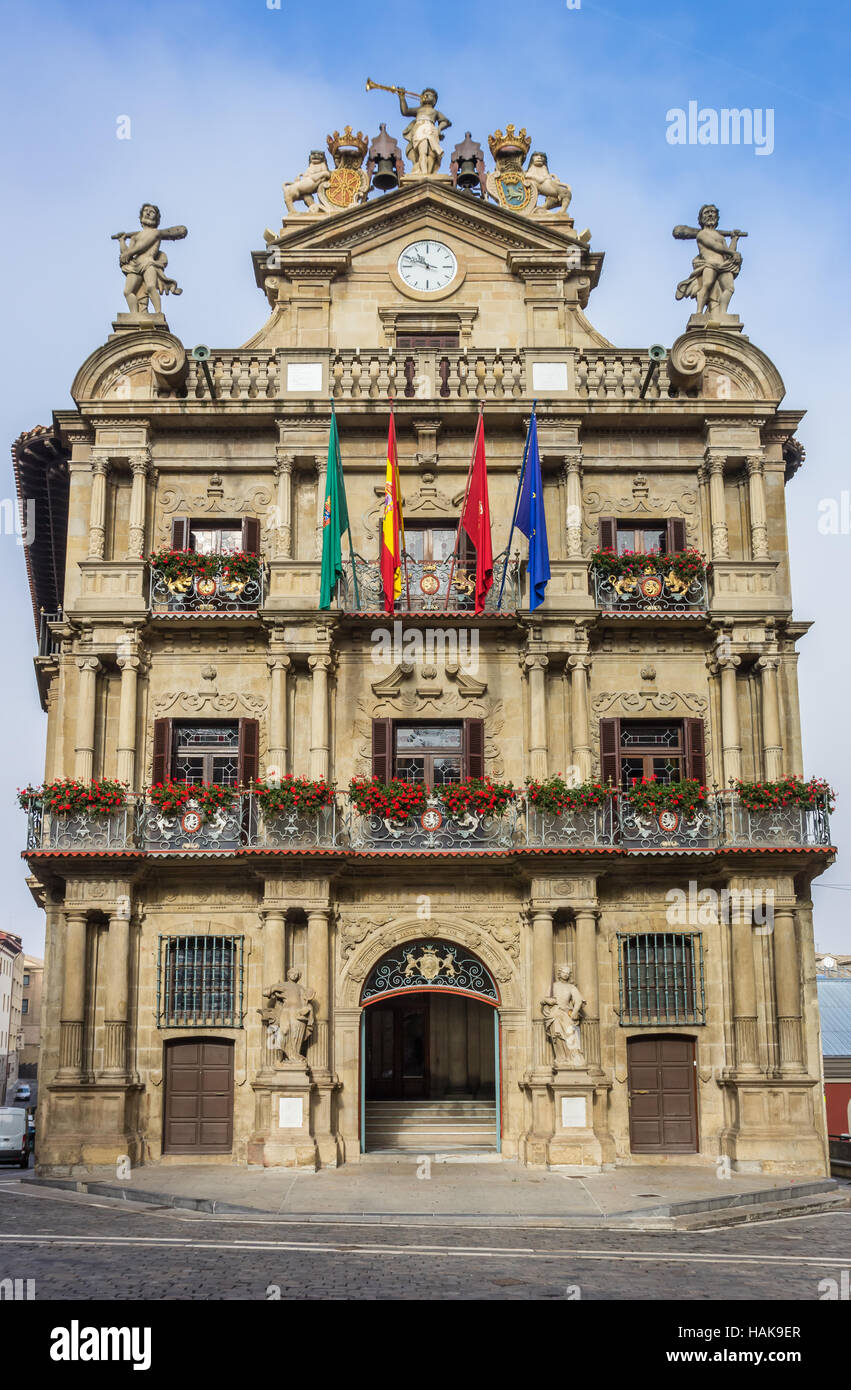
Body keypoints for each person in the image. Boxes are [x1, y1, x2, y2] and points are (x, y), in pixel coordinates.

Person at [112, 204, 187, 314]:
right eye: (145, 211)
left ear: (156, 218)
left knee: (151, 287)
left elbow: (143, 245)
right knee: (128, 292)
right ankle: (135, 315)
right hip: (135, 264)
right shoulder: (135, 237)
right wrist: (122, 240)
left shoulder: (155, 233)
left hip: (148, 263)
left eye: (151, 212)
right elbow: (125, 254)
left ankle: (158, 313)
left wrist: (129, 252)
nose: (147, 213)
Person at [673, 205, 747, 316]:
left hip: (724, 265)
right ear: (701, 219)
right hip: (710, 264)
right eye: (707, 213)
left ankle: (722, 313)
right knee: (707, 285)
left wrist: (734, 239)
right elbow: (715, 246)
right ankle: (699, 312)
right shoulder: (702, 234)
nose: (710, 215)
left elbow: (728, 252)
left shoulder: (721, 237)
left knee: (729, 288)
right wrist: (732, 253)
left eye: (713, 212)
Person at [397, 86, 451, 176]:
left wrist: (439, 129)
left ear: (434, 101)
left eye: (430, 95)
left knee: (432, 154)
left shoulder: (435, 112)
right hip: (420, 129)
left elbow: (446, 121)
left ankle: (429, 173)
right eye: (425, 95)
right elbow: (405, 111)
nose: (427, 96)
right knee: (423, 150)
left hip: (431, 130)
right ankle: (424, 173)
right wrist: (402, 97)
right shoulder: (419, 110)